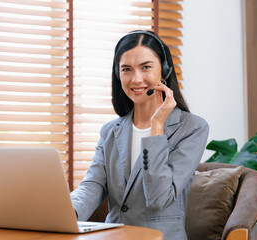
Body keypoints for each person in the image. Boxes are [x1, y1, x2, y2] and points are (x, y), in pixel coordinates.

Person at [70, 30, 209, 240]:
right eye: (126, 69)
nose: (136, 79)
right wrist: (67, 211)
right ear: (118, 75)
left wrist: (157, 126)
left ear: (164, 71)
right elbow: (94, 184)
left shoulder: (192, 128)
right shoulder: (110, 131)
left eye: (146, 67)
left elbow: (160, 198)